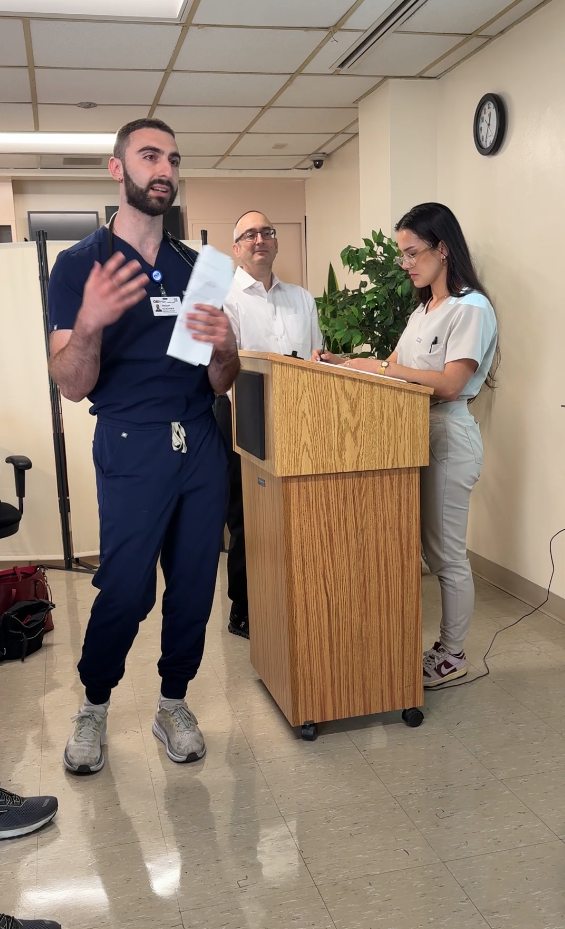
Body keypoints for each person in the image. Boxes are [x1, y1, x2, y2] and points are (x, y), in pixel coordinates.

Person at [48, 118, 239, 774]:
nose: (164, 168)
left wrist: (226, 347)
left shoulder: (198, 266)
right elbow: (71, 383)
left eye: (173, 158)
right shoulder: (77, 266)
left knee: (192, 586)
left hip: (201, 439)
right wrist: (92, 323)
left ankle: (172, 703)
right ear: (117, 168)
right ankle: (94, 705)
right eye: (149, 155)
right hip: (131, 444)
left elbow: (221, 378)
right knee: (127, 590)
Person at [313, 202, 498, 687]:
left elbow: (451, 383)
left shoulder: (471, 308)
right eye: (401, 255)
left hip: (447, 434)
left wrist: (386, 370)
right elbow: (390, 364)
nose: (406, 263)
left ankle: (453, 653)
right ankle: (430, 645)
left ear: (442, 248)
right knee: (422, 547)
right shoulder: (424, 310)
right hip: (411, 431)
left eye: (412, 252)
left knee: (446, 554)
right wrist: (342, 363)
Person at [216, 210, 323, 638]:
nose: (260, 239)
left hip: (299, 417)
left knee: (294, 511)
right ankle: (243, 607)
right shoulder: (225, 299)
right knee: (247, 518)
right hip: (245, 419)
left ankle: (288, 594)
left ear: (276, 242)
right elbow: (228, 367)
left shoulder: (302, 298)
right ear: (237, 248)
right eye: (250, 234)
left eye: (267, 232)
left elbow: (317, 357)